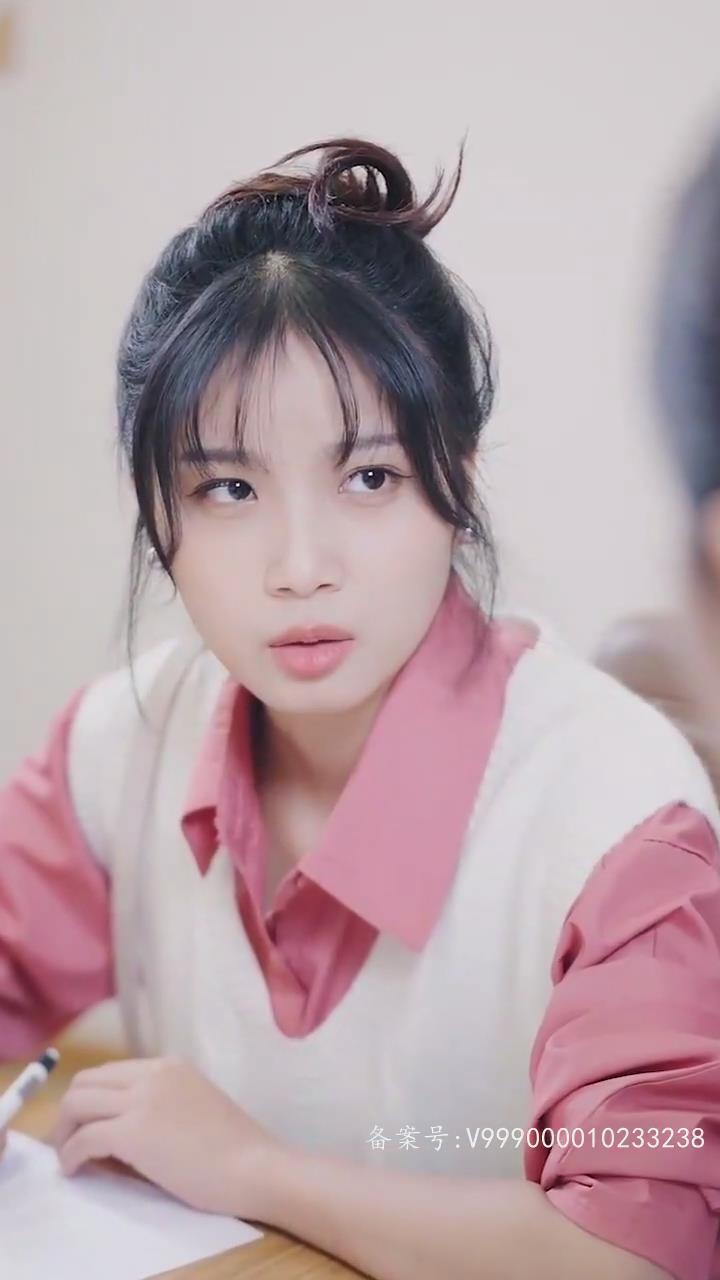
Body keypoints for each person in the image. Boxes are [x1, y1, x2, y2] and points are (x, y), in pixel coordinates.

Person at [1, 137, 719, 1280]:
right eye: (228, 486)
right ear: (157, 511)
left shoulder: (616, 811)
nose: (300, 566)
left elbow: (637, 1252)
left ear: (457, 480)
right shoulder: (118, 744)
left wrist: (253, 1166)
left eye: (370, 476)